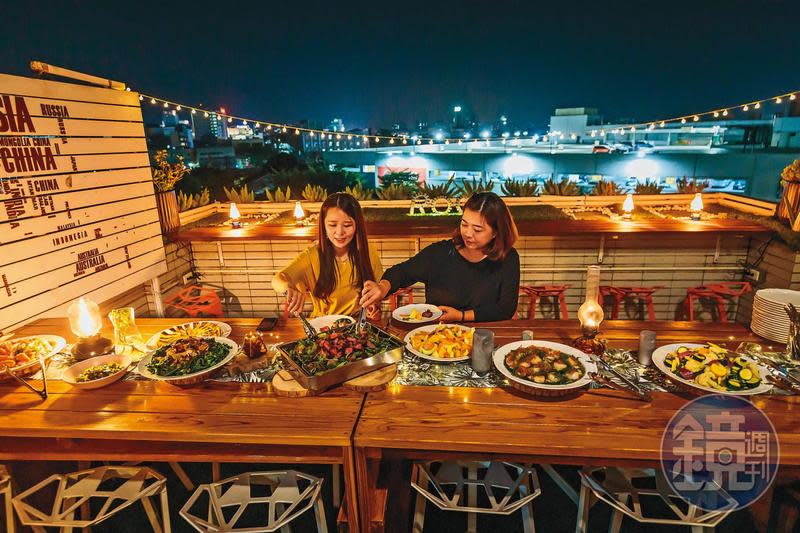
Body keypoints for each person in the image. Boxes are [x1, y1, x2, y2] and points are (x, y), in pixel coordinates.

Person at [360, 191, 519, 322]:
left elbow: (505, 310)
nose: (468, 234)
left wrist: (461, 316)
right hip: (438, 336)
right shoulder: (440, 253)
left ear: (496, 232)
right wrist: (382, 287)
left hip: (486, 336)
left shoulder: (508, 259)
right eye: (464, 224)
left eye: (477, 229)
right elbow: (403, 272)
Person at [272, 192, 382, 318]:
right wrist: (288, 288)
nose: (339, 232)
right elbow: (277, 279)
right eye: (332, 225)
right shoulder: (312, 256)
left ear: (357, 226)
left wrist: (373, 306)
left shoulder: (368, 251)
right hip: (323, 327)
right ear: (323, 225)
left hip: (356, 326)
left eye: (347, 225)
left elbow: (378, 290)